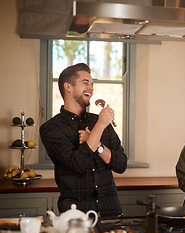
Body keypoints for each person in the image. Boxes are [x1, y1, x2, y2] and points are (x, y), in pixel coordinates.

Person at [40, 63, 127, 217]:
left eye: (92, 84)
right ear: (68, 87)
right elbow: (77, 164)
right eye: (85, 83)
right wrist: (99, 126)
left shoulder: (100, 121)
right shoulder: (51, 128)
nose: (91, 88)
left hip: (111, 210)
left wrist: (98, 145)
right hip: (76, 214)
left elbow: (121, 164)